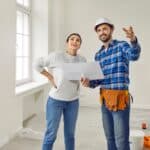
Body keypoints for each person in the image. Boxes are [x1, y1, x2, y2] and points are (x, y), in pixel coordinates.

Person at [81, 18, 141, 150]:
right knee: (110, 138)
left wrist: (133, 40)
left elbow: (134, 55)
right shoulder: (99, 55)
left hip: (120, 99)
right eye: (99, 30)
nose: (102, 32)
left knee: (121, 141)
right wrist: (88, 82)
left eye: (104, 29)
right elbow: (98, 80)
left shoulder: (121, 46)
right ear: (97, 33)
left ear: (111, 30)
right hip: (104, 99)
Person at [34, 33, 86, 150]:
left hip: (73, 102)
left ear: (79, 45)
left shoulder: (82, 60)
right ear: (67, 42)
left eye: (78, 40)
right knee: (51, 135)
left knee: (70, 135)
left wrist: (83, 79)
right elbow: (37, 64)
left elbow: (83, 76)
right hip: (55, 101)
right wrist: (49, 76)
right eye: (72, 39)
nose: (75, 41)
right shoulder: (56, 56)